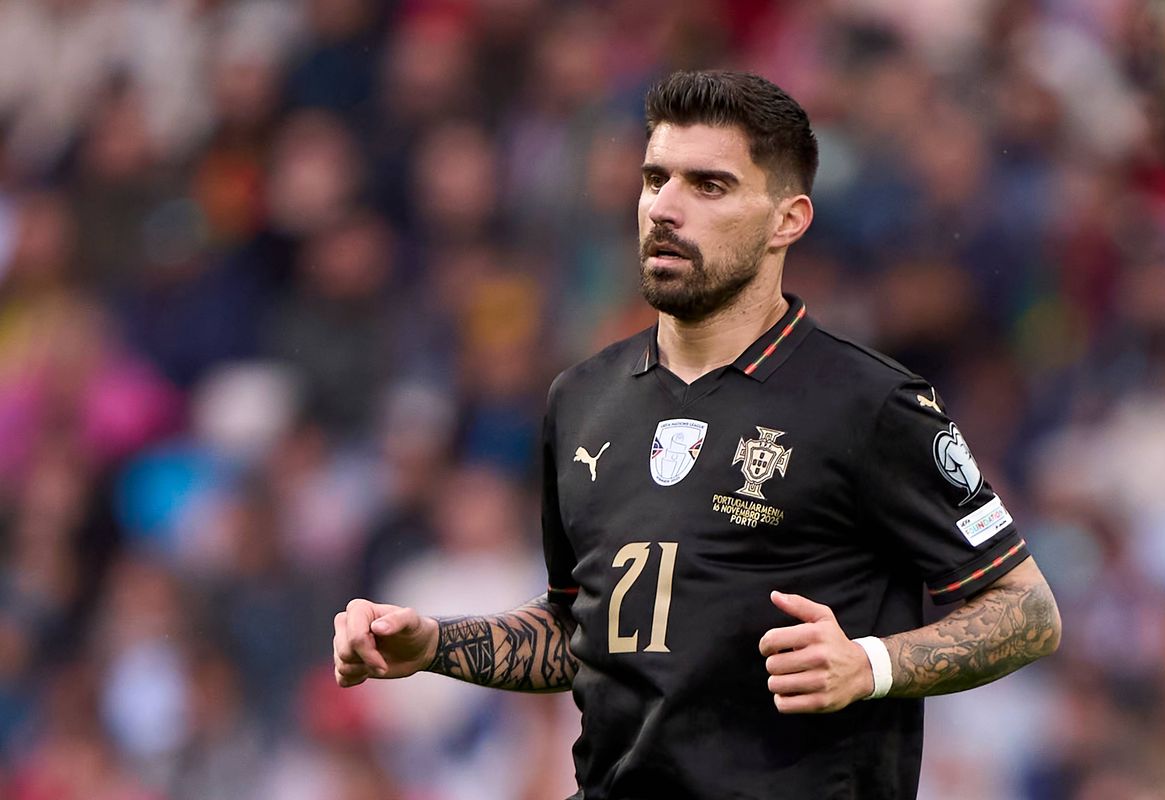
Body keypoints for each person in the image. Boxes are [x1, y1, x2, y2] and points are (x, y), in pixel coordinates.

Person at [333, 70, 1061, 799]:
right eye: (655, 179)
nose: (665, 208)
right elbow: (576, 632)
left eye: (708, 186)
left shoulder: (871, 405)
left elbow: (1027, 610)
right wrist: (434, 643)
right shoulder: (581, 400)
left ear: (788, 220)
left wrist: (872, 665)